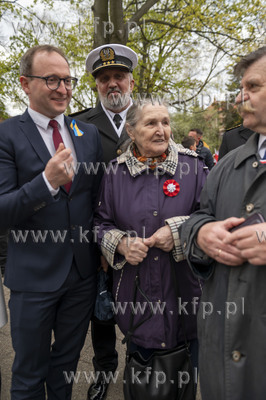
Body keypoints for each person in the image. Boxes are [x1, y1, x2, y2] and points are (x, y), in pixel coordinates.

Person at [0, 44, 103, 400]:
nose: (63, 88)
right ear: (25, 83)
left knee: (65, 369)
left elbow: (92, 201)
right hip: (33, 279)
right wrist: (46, 183)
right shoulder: (7, 135)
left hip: (81, 276)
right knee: (29, 374)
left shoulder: (85, 133)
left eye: (68, 80)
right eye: (52, 80)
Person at [94, 99, 208, 397]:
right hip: (135, 297)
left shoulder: (194, 168)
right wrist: (120, 243)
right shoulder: (114, 173)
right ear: (131, 131)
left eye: (166, 122)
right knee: (144, 381)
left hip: (186, 294)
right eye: (151, 123)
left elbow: (212, 218)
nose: (162, 130)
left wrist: (178, 232)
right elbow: (99, 224)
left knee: (185, 377)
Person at [180, 46, 266, 400]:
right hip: (222, 354)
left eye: (254, 86)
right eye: (241, 88)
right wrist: (200, 233)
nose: (241, 97)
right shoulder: (228, 162)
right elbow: (198, 215)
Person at [71, 43, 137, 400]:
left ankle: (141, 366)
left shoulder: (151, 118)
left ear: (130, 81)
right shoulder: (80, 125)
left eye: (119, 77)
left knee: (145, 300)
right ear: (97, 85)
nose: (112, 84)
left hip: (144, 235)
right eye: (105, 79)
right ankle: (104, 369)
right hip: (99, 236)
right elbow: (80, 188)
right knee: (102, 309)